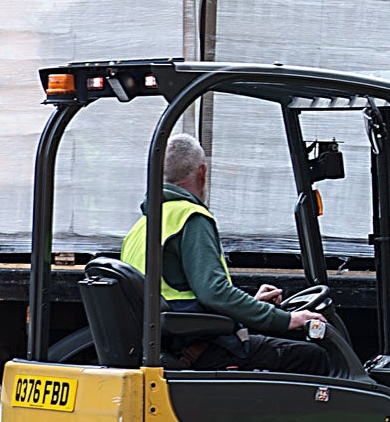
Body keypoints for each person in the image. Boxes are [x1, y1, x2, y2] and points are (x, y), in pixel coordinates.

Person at [121, 133, 332, 375]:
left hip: (167, 342)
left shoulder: (143, 225)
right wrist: (287, 320)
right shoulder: (191, 218)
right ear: (202, 171)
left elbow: (179, 291)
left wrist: (253, 304)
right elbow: (214, 292)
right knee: (311, 357)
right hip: (197, 347)